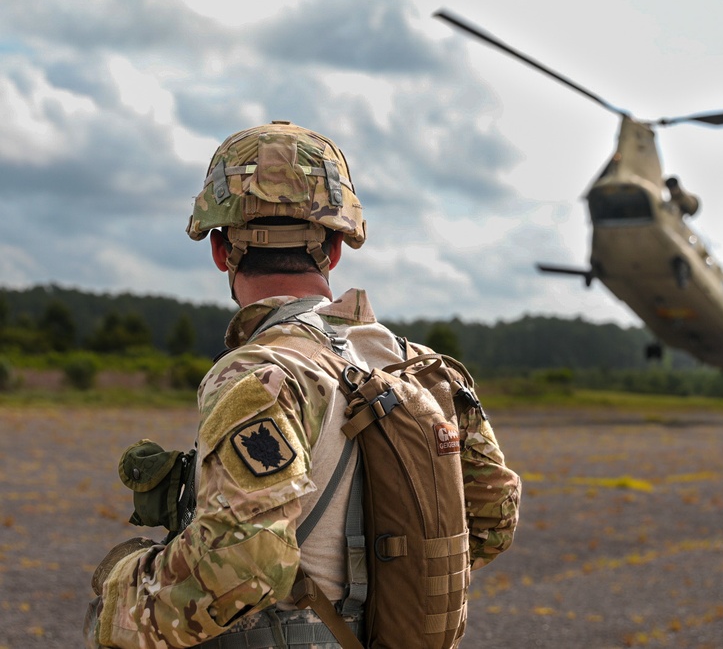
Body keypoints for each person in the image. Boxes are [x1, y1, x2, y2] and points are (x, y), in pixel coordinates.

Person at [85, 120, 521, 648]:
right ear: (335, 249)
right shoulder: (423, 369)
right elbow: (493, 516)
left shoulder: (258, 373)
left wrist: (121, 590)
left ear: (221, 250)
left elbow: (242, 565)